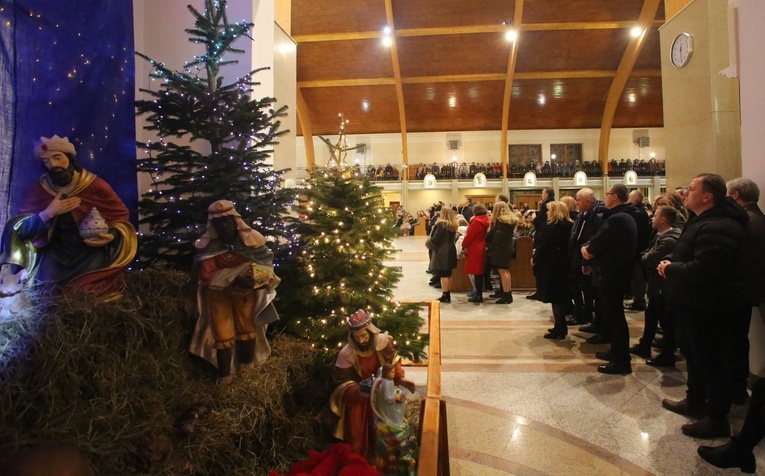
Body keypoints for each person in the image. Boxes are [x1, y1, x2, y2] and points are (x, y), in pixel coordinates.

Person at [658, 173, 748, 439]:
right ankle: (695, 399)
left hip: (708, 306)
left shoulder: (720, 225)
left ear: (707, 196)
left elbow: (707, 270)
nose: (685, 193)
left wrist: (670, 268)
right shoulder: (704, 220)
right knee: (695, 356)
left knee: (711, 360)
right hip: (692, 304)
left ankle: (717, 417)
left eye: (692, 189)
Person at [0, 135, 136, 298]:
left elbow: (120, 218)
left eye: (57, 157)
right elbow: (19, 230)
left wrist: (111, 235)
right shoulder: (40, 189)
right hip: (55, 253)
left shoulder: (95, 186)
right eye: (46, 161)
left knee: (86, 294)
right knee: (45, 294)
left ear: (70, 158)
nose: (53, 164)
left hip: (89, 253)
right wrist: (48, 213)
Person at [189, 200, 280, 384]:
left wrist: (257, 278)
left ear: (235, 222)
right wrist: (232, 278)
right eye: (219, 223)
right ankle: (225, 375)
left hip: (245, 294)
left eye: (227, 221)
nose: (224, 226)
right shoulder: (209, 247)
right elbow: (206, 275)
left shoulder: (251, 243)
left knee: (246, 329)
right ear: (213, 226)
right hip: (218, 296)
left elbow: (265, 265)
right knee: (221, 334)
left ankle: (246, 370)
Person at [328, 310, 415, 457]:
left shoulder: (383, 343)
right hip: (359, 397)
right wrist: (358, 389)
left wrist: (400, 378)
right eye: (357, 338)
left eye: (364, 335)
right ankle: (359, 456)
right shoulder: (347, 354)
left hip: (381, 390)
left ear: (370, 333)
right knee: (356, 425)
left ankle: (385, 455)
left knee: (388, 423)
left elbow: (392, 362)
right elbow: (341, 382)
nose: (361, 341)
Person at [581, 184, 637, 375]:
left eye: (607, 194)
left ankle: (622, 360)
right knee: (612, 316)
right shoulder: (619, 217)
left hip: (612, 274)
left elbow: (596, 244)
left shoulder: (619, 219)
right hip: (611, 272)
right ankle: (616, 351)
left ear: (614, 196)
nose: (605, 197)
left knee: (616, 317)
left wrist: (587, 251)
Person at [725, 178, 765, 403]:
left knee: (733, 343)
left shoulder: (745, 222)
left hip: (739, 292)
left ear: (736, 195)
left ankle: (735, 389)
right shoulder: (758, 218)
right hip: (748, 291)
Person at [630, 205, 681, 366]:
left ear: (663, 219)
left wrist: (645, 257)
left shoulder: (669, 239)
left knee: (666, 320)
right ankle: (645, 344)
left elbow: (650, 258)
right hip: (656, 285)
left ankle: (667, 354)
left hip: (663, 287)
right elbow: (646, 253)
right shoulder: (660, 235)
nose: (652, 218)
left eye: (656, 215)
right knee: (651, 315)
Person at [533, 202, 573, 339]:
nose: (546, 213)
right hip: (565, 264)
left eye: (549, 210)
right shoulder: (570, 225)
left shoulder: (552, 228)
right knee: (561, 298)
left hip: (552, 265)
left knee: (556, 298)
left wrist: (535, 258)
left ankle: (560, 328)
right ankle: (560, 327)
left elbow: (544, 246)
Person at [568, 188, 602, 327]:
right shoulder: (583, 214)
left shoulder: (596, 216)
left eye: (579, 200)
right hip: (577, 255)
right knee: (578, 285)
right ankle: (582, 313)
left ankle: (585, 314)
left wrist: (586, 261)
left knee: (586, 288)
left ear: (588, 201)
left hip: (586, 257)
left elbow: (592, 238)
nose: (577, 203)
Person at [486, 202, 518, 304]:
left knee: (502, 272)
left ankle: (506, 295)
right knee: (506, 271)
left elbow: (497, 238)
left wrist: (490, 249)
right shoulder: (510, 222)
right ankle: (508, 293)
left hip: (500, 249)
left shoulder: (501, 222)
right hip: (507, 247)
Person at [625, 190, 651, 311]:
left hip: (638, 249)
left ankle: (639, 300)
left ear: (635, 200)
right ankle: (637, 299)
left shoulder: (638, 212)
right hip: (639, 248)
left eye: (630, 199)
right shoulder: (640, 211)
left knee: (637, 276)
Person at [461, 203, 489, 303]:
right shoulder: (485, 220)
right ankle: (478, 293)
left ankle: (478, 295)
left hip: (475, 248)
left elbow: (470, 236)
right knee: (479, 272)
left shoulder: (476, 222)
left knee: (477, 273)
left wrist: (463, 244)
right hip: (481, 245)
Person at [429, 207, 458, 303]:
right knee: (448, 273)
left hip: (442, 250)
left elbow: (435, 239)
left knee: (443, 274)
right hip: (451, 249)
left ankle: (445, 294)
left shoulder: (442, 224)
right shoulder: (453, 224)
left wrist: (430, 243)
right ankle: (447, 292)